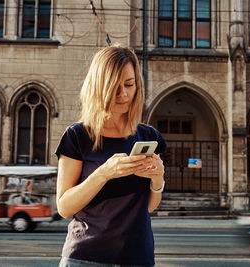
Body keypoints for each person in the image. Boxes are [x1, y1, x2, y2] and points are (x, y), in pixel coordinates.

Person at [55, 45, 167, 267]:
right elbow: (64, 207)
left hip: (138, 258)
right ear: (99, 86)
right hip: (86, 258)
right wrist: (103, 174)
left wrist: (157, 179)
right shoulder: (77, 136)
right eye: (115, 87)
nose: (123, 94)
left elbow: (149, 207)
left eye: (129, 84)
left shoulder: (148, 136)